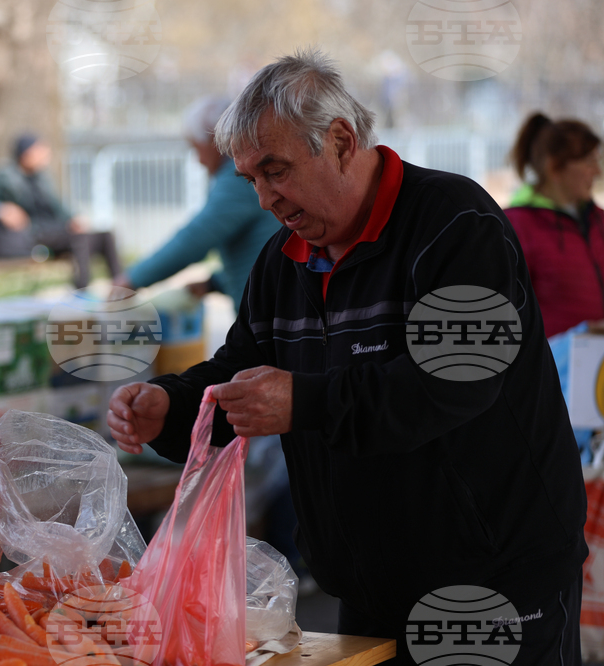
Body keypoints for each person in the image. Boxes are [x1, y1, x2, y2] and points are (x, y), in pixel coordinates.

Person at [107, 50, 587, 665]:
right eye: (249, 179)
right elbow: (241, 373)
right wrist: (169, 407)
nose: (263, 199)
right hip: (367, 586)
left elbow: (456, 383)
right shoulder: (283, 260)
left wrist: (302, 401)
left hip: (490, 580)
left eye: (274, 170)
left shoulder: (455, 223)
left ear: (339, 141)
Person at [112, 96, 282, 311]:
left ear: (215, 141)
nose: (198, 160)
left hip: (266, 317)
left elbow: (197, 237)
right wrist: (214, 283)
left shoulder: (240, 177)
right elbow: (259, 251)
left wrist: (131, 280)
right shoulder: (244, 173)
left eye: (196, 148)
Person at [0, 133, 122, 289]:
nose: (45, 156)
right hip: (31, 234)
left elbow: (58, 207)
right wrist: (1, 209)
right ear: (26, 154)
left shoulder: (41, 179)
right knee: (79, 238)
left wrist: (73, 219)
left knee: (105, 236)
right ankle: (82, 291)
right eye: (40, 152)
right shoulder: (3, 178)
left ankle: (121, 287)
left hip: (52, 231)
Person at [505, 112, 603, 339]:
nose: (597, 172)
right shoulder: (515, 227)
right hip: (552, 369)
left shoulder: (599, 221)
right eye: (589, 162)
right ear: (555, 168)